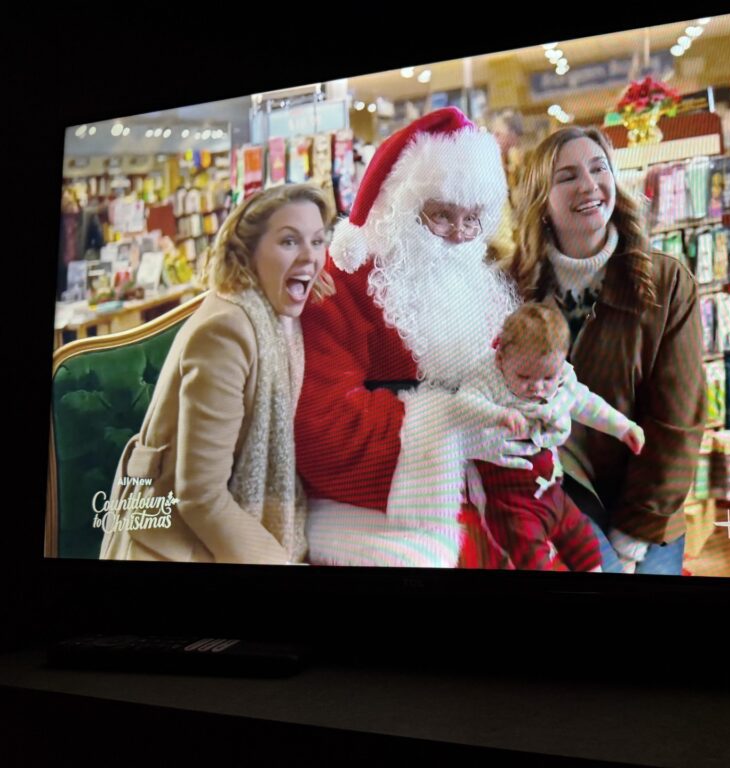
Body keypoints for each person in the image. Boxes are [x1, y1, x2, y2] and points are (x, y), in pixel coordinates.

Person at [295, 107, 527, 568]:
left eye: (473, 218)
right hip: (388, 509)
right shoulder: (340, 286)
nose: (459, 235)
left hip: (488, 490)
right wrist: (452, 435)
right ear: (399, 208)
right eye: (441, 215)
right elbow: (322, 428)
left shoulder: (475, 279)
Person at [503, 126, 705, 575]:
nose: (589, 185)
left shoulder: (666, 284)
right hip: (552, 495)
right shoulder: (513, 287)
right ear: (541, 201)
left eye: (599, 169)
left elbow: (678, 423)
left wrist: (633, 534)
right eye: (567, 176)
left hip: (647, 505)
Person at [100, 183, 333, 563]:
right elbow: (200, 497)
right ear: (248, 250)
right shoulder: (227, 329)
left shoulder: (278, 315)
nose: (310, 255)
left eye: (318, 240)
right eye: (290, 241)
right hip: (175, 544)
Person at [454, 302, 644, 572]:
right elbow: (461, 403)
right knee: (530, 553)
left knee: (583, 539)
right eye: (524, 376)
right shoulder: (489, 378)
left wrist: (623, 428)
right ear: (501, 359)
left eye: (548, 377)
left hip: (551, 489)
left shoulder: (561, 380)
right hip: (510, 501)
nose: (537, 387)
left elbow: (587, 404)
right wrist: (497, 414)